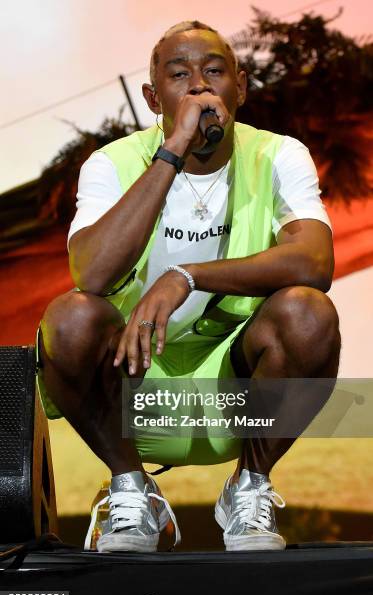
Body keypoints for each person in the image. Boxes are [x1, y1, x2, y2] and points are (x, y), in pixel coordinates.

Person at [37, 20, 341, 553]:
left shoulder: (280, 154)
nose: (199, 87)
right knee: (68, 317)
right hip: (133, 389)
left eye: (214, 71)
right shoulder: (110, 164)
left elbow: (315, 261)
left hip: (238, 392)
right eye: (180, 75)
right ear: (154, 97)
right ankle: (133, 492)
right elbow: (92, 274)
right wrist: (172, 152)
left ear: (240, 88)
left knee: (308, 312)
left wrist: (187, 276)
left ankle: (249, 491)